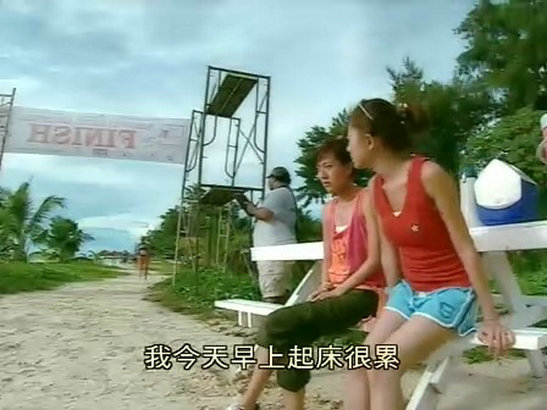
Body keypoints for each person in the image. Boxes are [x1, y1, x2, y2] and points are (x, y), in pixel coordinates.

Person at [345, 98, 516, 410]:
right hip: (410, 292)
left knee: (383, 367)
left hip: (450, 291)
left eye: (349, 139)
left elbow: (465, 247)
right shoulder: (374, 188)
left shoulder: (429, 175)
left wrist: (491, 318)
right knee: (359, 362)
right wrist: (388, 304)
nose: (347, 147)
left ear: (369, 141)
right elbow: (389, 251)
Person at [227, 138, 387, 410]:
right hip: (334, 292)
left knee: (278, 322)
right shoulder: (330, 208)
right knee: (293, 338)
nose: (322, 175)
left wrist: (341, 289)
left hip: (365, 293)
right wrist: (325, 284)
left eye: (329, 166)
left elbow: (375, 259)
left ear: (348, 167)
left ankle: (248, 404)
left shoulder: (367, 200)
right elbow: (328, 253)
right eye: (319, 169)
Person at [243, 166, 298, 304]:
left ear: (274, 179)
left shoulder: (278, 193)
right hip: (277, 250)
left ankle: (272, 317)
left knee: (272, 294)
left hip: (273, 251)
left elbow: (265, 214)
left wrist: (252, 209)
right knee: (280, 291)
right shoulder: (286, 194)